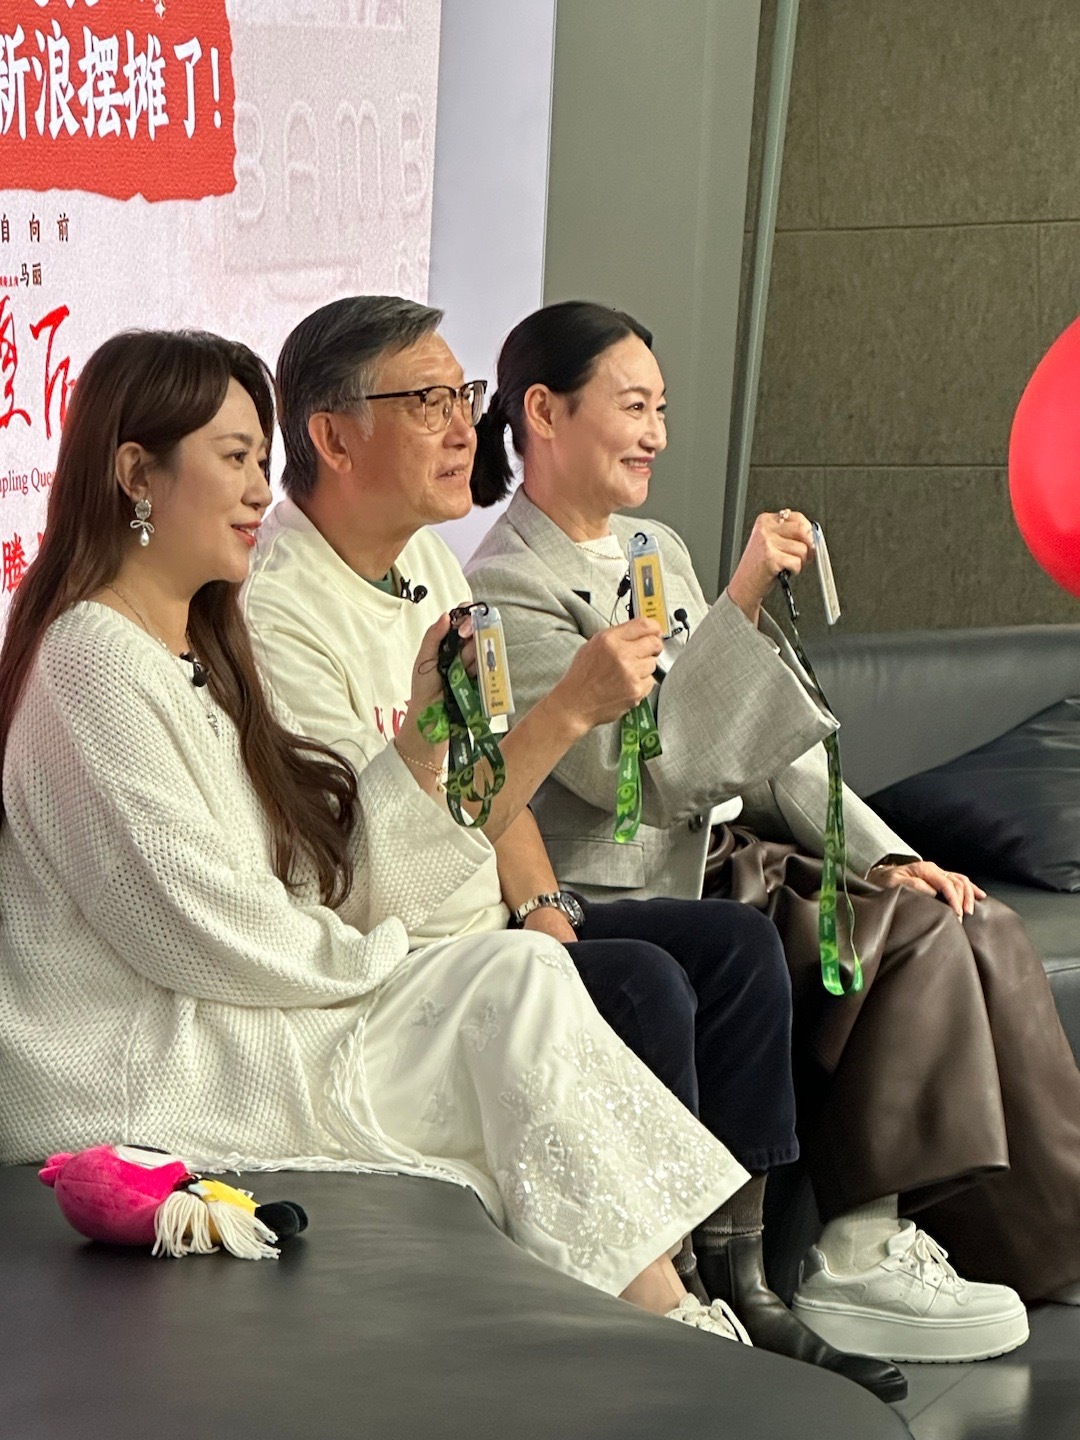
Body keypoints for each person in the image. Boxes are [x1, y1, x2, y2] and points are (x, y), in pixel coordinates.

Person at [0, 326, 770, 1344]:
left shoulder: (203, 650)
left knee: (525, 975)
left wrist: (421, 742)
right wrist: (385, 963)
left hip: (247, 1012)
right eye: (233, 459)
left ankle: (657, 1318)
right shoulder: (94, 661)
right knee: (515, 987)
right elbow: (196, 926)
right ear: (137, 475)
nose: (257, 492)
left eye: (261, 461)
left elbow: (320, 879)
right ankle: (669, 1327)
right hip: (155, 1062)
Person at [240, 295, 903, 1399]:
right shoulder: (282, 614)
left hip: (496, 913)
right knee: (645, 983)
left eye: (463, 397)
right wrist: (576, 710)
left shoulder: (434, 564)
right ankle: (654, 1299)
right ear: (332, 436)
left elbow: (489, 782)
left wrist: (545, 906)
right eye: (429, 401)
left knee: (736, 949)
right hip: (407, 954)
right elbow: (373, 859)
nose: (466, 426)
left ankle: (739, 1275)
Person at [465, 298, 1080, 1361]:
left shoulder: (655, 546)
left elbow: (765, 735)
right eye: (633, 407)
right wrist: (742, 601)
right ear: (544, 413)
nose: (656, 434)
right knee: (910, 939)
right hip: (627, 881)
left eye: (662, 409)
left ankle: (938, 1242)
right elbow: (635, 778)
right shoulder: (504, 587)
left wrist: (885, 851)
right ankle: (846, 1251)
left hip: (725, 856)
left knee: (962, 917)